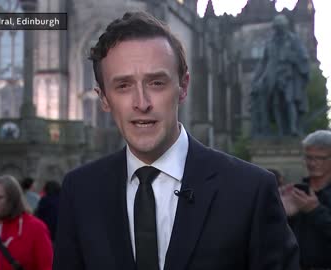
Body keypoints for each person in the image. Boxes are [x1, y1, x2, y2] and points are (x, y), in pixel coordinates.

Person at [53, 11, 299, 270]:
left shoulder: (252, 190)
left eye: (156, 83)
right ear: (103, 98)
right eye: (123, 86)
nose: (142, 103)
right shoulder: (80, 190)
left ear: (183, 86)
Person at [251, 14, 309, 136]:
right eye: (277, 28)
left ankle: (293, 129)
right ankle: (282, 130)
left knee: (289, 100)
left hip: (289, 76)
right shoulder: (270, 43)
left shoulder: (293, 40)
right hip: (273, 76)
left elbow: (304, 56)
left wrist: (293, 58)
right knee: (276, 103)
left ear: (285, 27)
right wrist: (257, 79)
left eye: (281, 27)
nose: (279, 30)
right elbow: (264, 62)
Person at [280, 130, 331, 269]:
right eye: (308, 157)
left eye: (320, 158)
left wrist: (315, 211)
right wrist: (283, 215)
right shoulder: (296, 191)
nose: (312, 163)